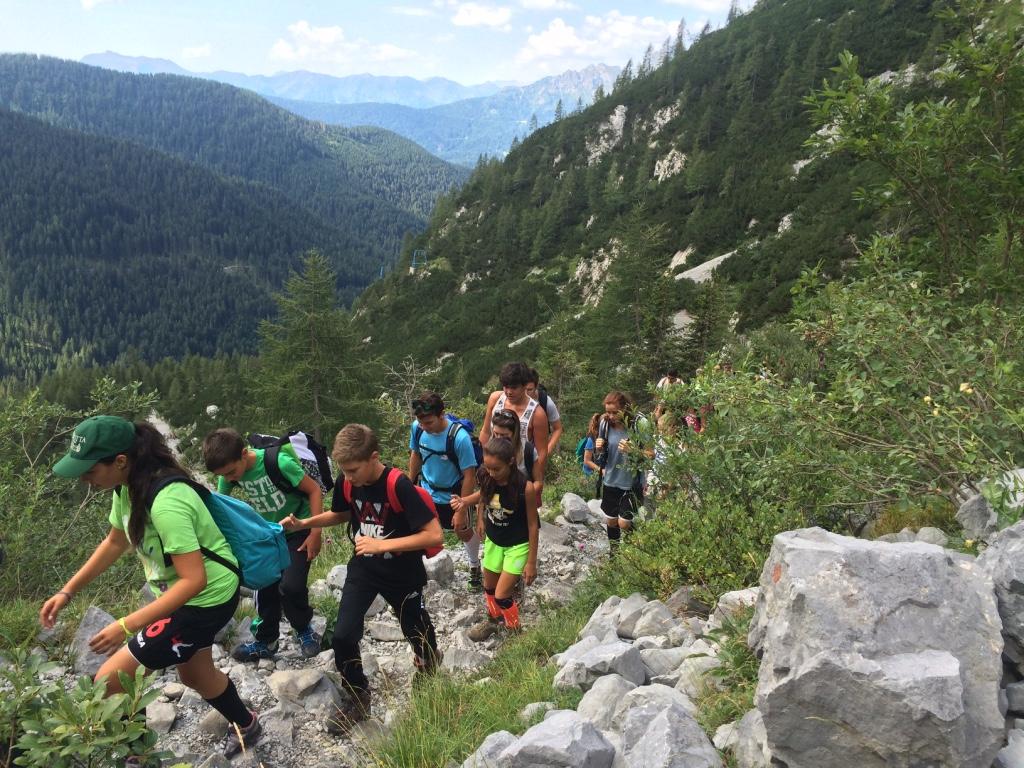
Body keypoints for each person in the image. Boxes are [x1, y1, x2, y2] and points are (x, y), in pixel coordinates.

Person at [40, 416, 261, 759]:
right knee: (195, 674)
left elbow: (193, 580)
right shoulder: (128, 488)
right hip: (186, 596)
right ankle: (247, 723)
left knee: (111, 680)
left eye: (89, 471)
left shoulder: (167, 500)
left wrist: (126, 625)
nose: (84, 479)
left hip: (205, 599)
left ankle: (139, 758)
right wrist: (67, 591)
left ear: (120, 461)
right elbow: (115, 541)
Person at [281, 424, 443, 734]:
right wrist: (306, 522)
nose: (349, 476)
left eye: (354, 469)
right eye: (344, 470)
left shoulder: (398, 485)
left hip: (402, 572)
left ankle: (428, 663)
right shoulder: (347, 481)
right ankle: (357, 694)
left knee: (414, 627)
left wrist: (383, 545)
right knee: (342, 635)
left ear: (373, 457)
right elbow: (342, 514)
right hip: (364, 567)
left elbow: (434, 534)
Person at [203, 428, 323, 661]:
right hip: (267, 535)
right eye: (224, 475)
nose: (229, 479)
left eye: (231, 472)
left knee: (291, 586)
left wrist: (315, 532)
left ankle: (303, 629)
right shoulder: (227, 474)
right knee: (265, 585)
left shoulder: (279, 462)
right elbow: (221, 506)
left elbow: (314, 490)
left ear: (244, 454)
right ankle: (266, 640)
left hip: (298, 529)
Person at [450, 437, 538, 642]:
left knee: (502, 595)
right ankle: (492, 621)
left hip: (518, 545)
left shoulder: (525, 488)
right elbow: (483, 495)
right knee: (489, 587)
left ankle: (515, 631)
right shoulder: (487, 476)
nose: (491, 473)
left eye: (496, 469)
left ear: (510, 462)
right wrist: (467, 506)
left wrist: (531, 563)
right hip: (494, 540)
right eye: (488, 467)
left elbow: (533, 525)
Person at [407, 392, 481, 588]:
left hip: (454, 495)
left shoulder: (459, 438)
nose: (424, 427)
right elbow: (416, 454)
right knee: (422, 532)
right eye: (421, 422)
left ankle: (474, 565)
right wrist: (410, 483)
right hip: (426, 491)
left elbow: (470, 475)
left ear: (442, 415)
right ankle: (419, 572)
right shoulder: (418, 428)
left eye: (429, 422)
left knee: (462, 530)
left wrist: (462, 510)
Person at [592, 392, 653, 554]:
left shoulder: (641, 424)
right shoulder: (604, 424)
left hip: (632, 482)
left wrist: (633, 450)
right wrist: (598, 448)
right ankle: (615, 554)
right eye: (608, 412)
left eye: (614, 412)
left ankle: (639, 546)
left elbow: (651, 454)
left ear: (625, 409)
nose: (610, 416)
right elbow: (601, 457)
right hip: (611, 480)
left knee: (624, 523)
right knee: (611, 521)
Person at [480, 362, 549, 497]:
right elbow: (486, 431)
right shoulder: (495, 399)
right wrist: (484, 461)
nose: (509, 392)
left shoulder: (537, 413)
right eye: (506, 387)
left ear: (524, 386)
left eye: (514, 387)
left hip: (520, 474)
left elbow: (542, 452)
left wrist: (535, 485)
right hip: (494, 469)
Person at [489, 406, 542, 504]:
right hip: (495, 507)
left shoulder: (527, 450)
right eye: (496, 434)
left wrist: (523, 496)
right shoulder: (490, 448)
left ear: (515, 433)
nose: (499, 438)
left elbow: (538, 482)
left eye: (504, 435)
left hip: (521, 505)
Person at [525, 368, 564, 456]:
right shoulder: (515, 399)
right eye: (523, 389)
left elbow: (558, 428)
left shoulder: (546, 402)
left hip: (538, 450)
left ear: (536, 387)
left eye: (529, 390)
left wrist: (548, 449)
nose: (526, 393)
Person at [581, 412, 603, 477]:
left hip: (598, 473)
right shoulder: (592, 439)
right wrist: (602, 470)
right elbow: (587, 461)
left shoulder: (605, 437)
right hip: (589, 475)